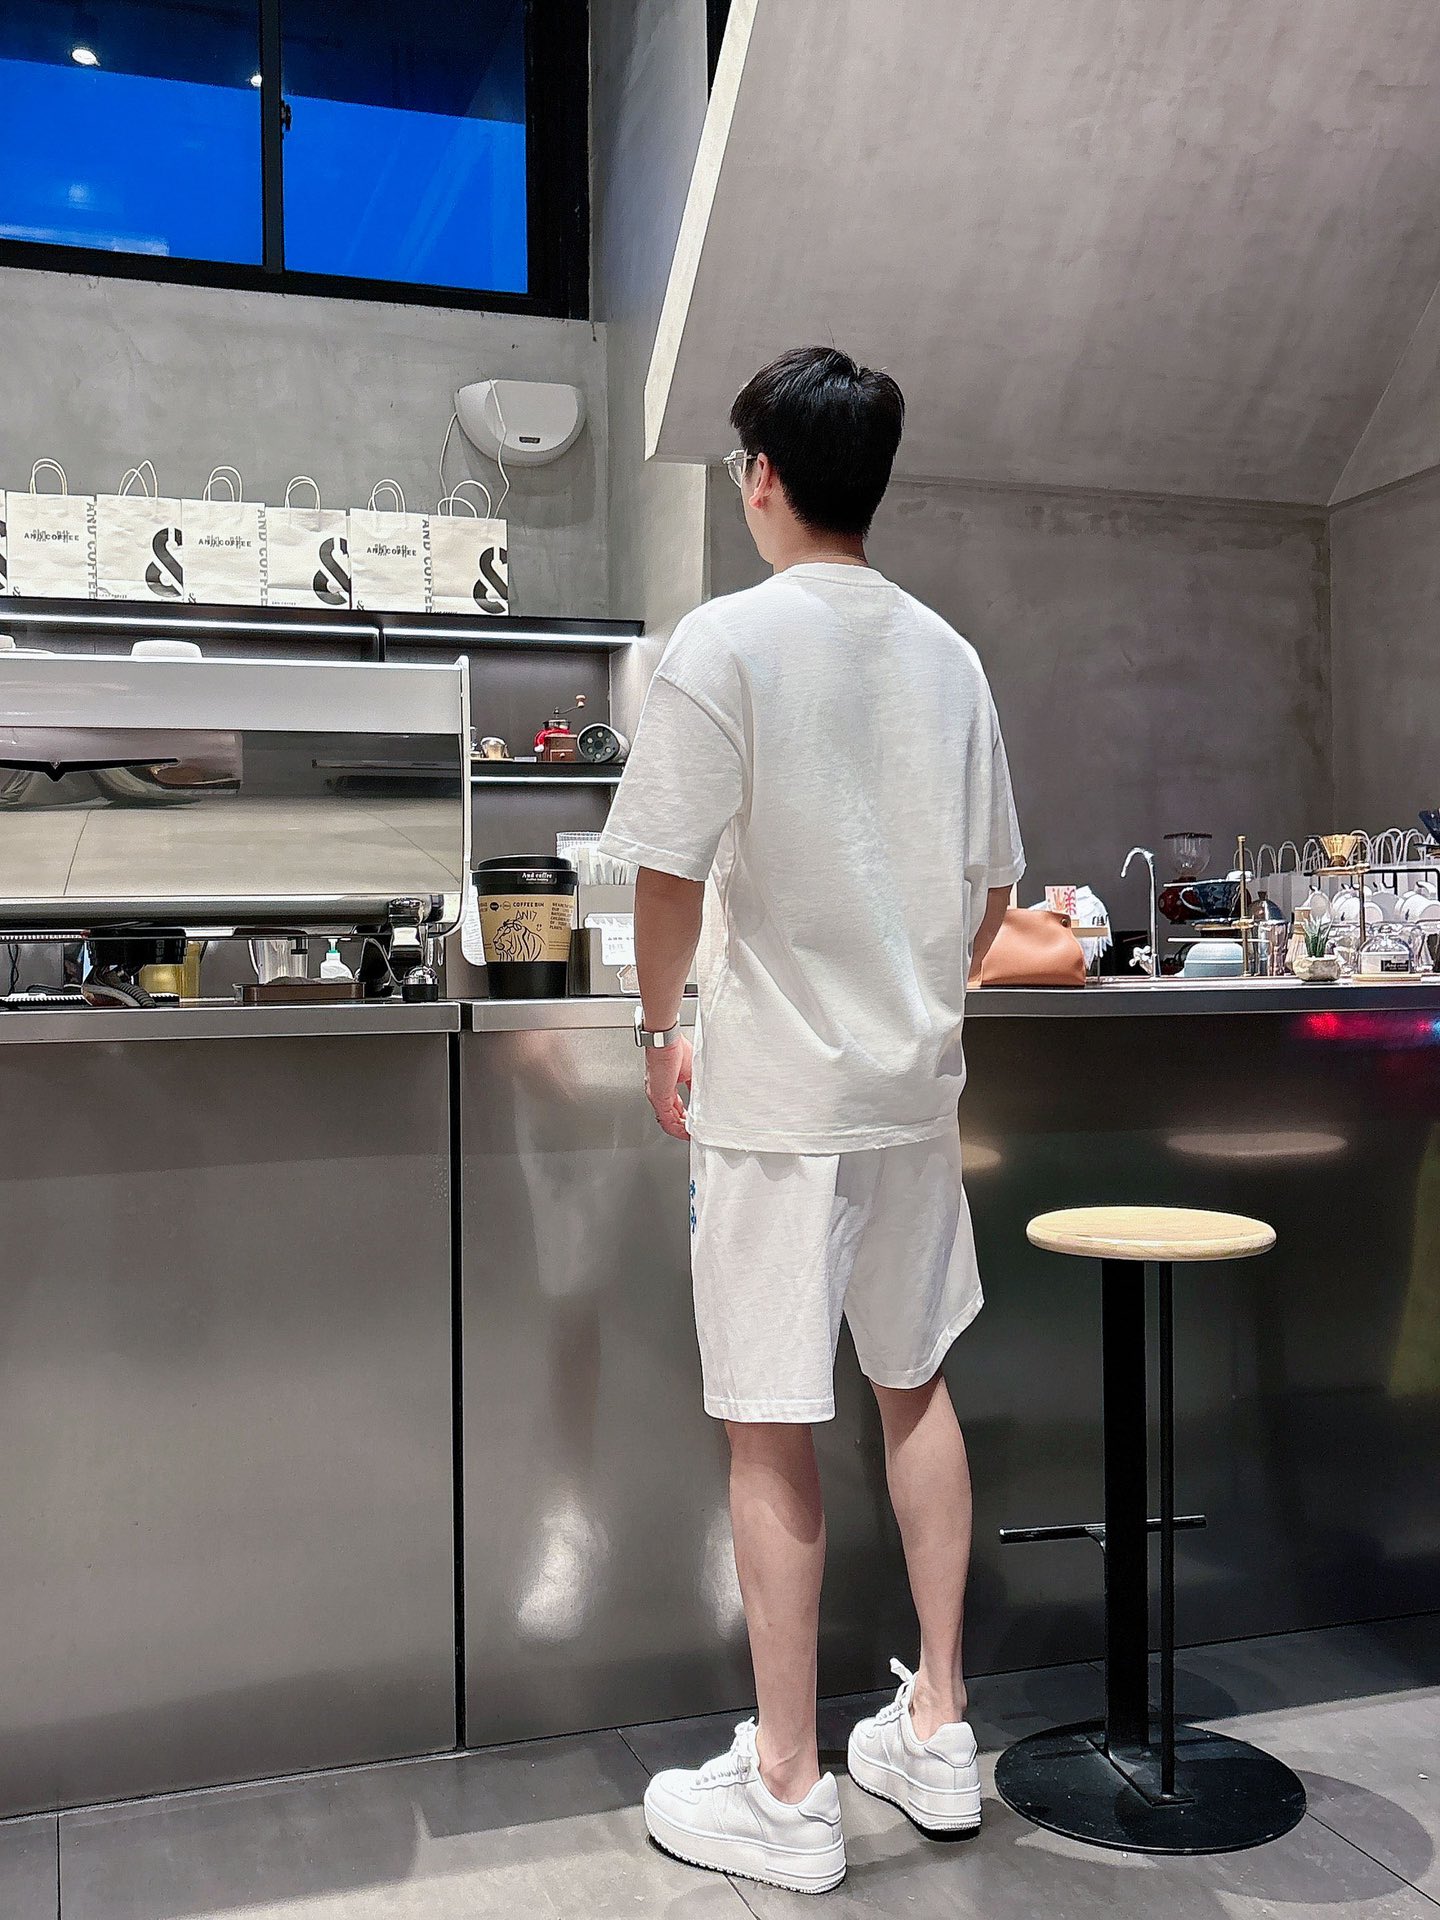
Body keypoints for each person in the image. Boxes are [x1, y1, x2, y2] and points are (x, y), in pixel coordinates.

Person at [596, 345, 1024, 1895]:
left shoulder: (725, 641)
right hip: (910, 1098)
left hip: (777, 1101)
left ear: (763, 476)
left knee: (769, 1418)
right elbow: (993, 900)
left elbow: (663, 876)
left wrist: (661, 1032)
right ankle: (940, 1725)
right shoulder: (950, 658)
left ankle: (786, 1785)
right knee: (915, 1385)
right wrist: (910, 1002)